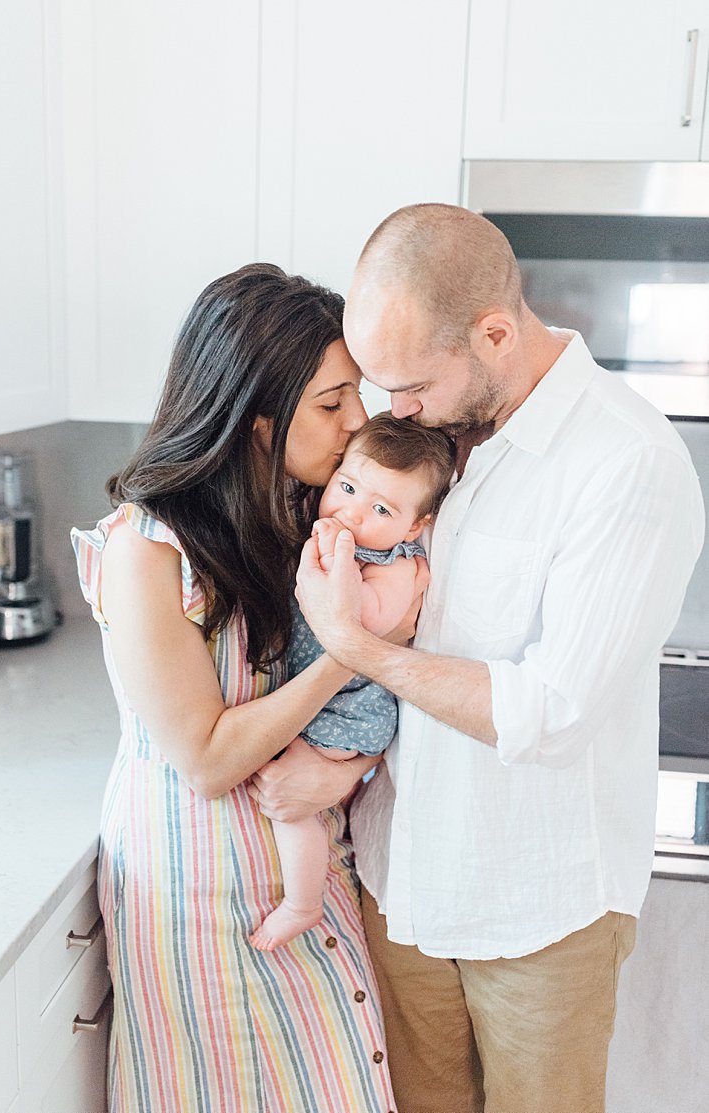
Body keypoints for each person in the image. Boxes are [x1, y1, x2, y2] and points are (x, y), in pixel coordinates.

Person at [287, 203, 704, 1113]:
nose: (389, 410)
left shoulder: (626, 462)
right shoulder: (433, 440)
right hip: (402, 882)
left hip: (538, 908)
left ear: (494, 332)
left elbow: (549, 712)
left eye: (408, 384)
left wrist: (357, 646)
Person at [70, 263, 403, 1112]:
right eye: (332, 403)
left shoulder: (297, 517)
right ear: (257, 419)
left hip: (302, 858)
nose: (358, 421)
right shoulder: (145, 550)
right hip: (193, 885)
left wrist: (342, 766)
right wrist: (349, 649)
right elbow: (208, 757)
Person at [251, 414, 453, 951]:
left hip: (349, 714)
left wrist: (335, 560)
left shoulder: (395, 567)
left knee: (295, 811)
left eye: (381, 509)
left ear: (414, 526)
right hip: (323, 699)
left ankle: (302, 904)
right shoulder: (342, 535)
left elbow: (368, 621)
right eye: (346, 487)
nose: (352, 512)